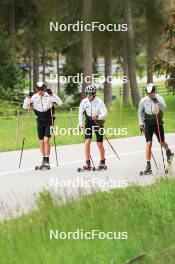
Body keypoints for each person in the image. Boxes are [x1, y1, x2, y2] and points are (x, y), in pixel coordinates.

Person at [23, 82, 63, 169]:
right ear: (36, 89)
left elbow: (60, 103)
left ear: (44, 89)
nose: (40, 91)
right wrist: (28, 97)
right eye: (39, 89)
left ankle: (47, 161)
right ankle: (44, 159)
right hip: (40, 121)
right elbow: (25, 106)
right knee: (41, 141)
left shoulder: (49, 95)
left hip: (50, 121)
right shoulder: (34, 97)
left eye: (42, 89)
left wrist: (52, 95)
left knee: (46, 140)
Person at [138, 83, 174, 174]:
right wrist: (141, 123)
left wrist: (157, 102)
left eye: (152, 93)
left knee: (161, 141)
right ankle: (148, 165)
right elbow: (140, 112)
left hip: (158, 122)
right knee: (148, 143)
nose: (150, 95)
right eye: (148, 93)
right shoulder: (143, 101)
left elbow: (165, 109)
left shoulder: (159, 98)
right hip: (148, 123)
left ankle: (168, 152)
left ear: (154, 92)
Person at [79, 84, 107, 170]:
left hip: (98, 122)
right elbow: (80, 114)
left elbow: (104, 113)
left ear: (94, 94)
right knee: (87, 142)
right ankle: (87, 163)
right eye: (87, 94)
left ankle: (102, 161)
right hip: (88, 122)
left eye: (90, 94)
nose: (88, 96)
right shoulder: (84, 102)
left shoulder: (99, 102)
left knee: (99, 143)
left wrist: (98, 117)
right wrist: (80, 124)